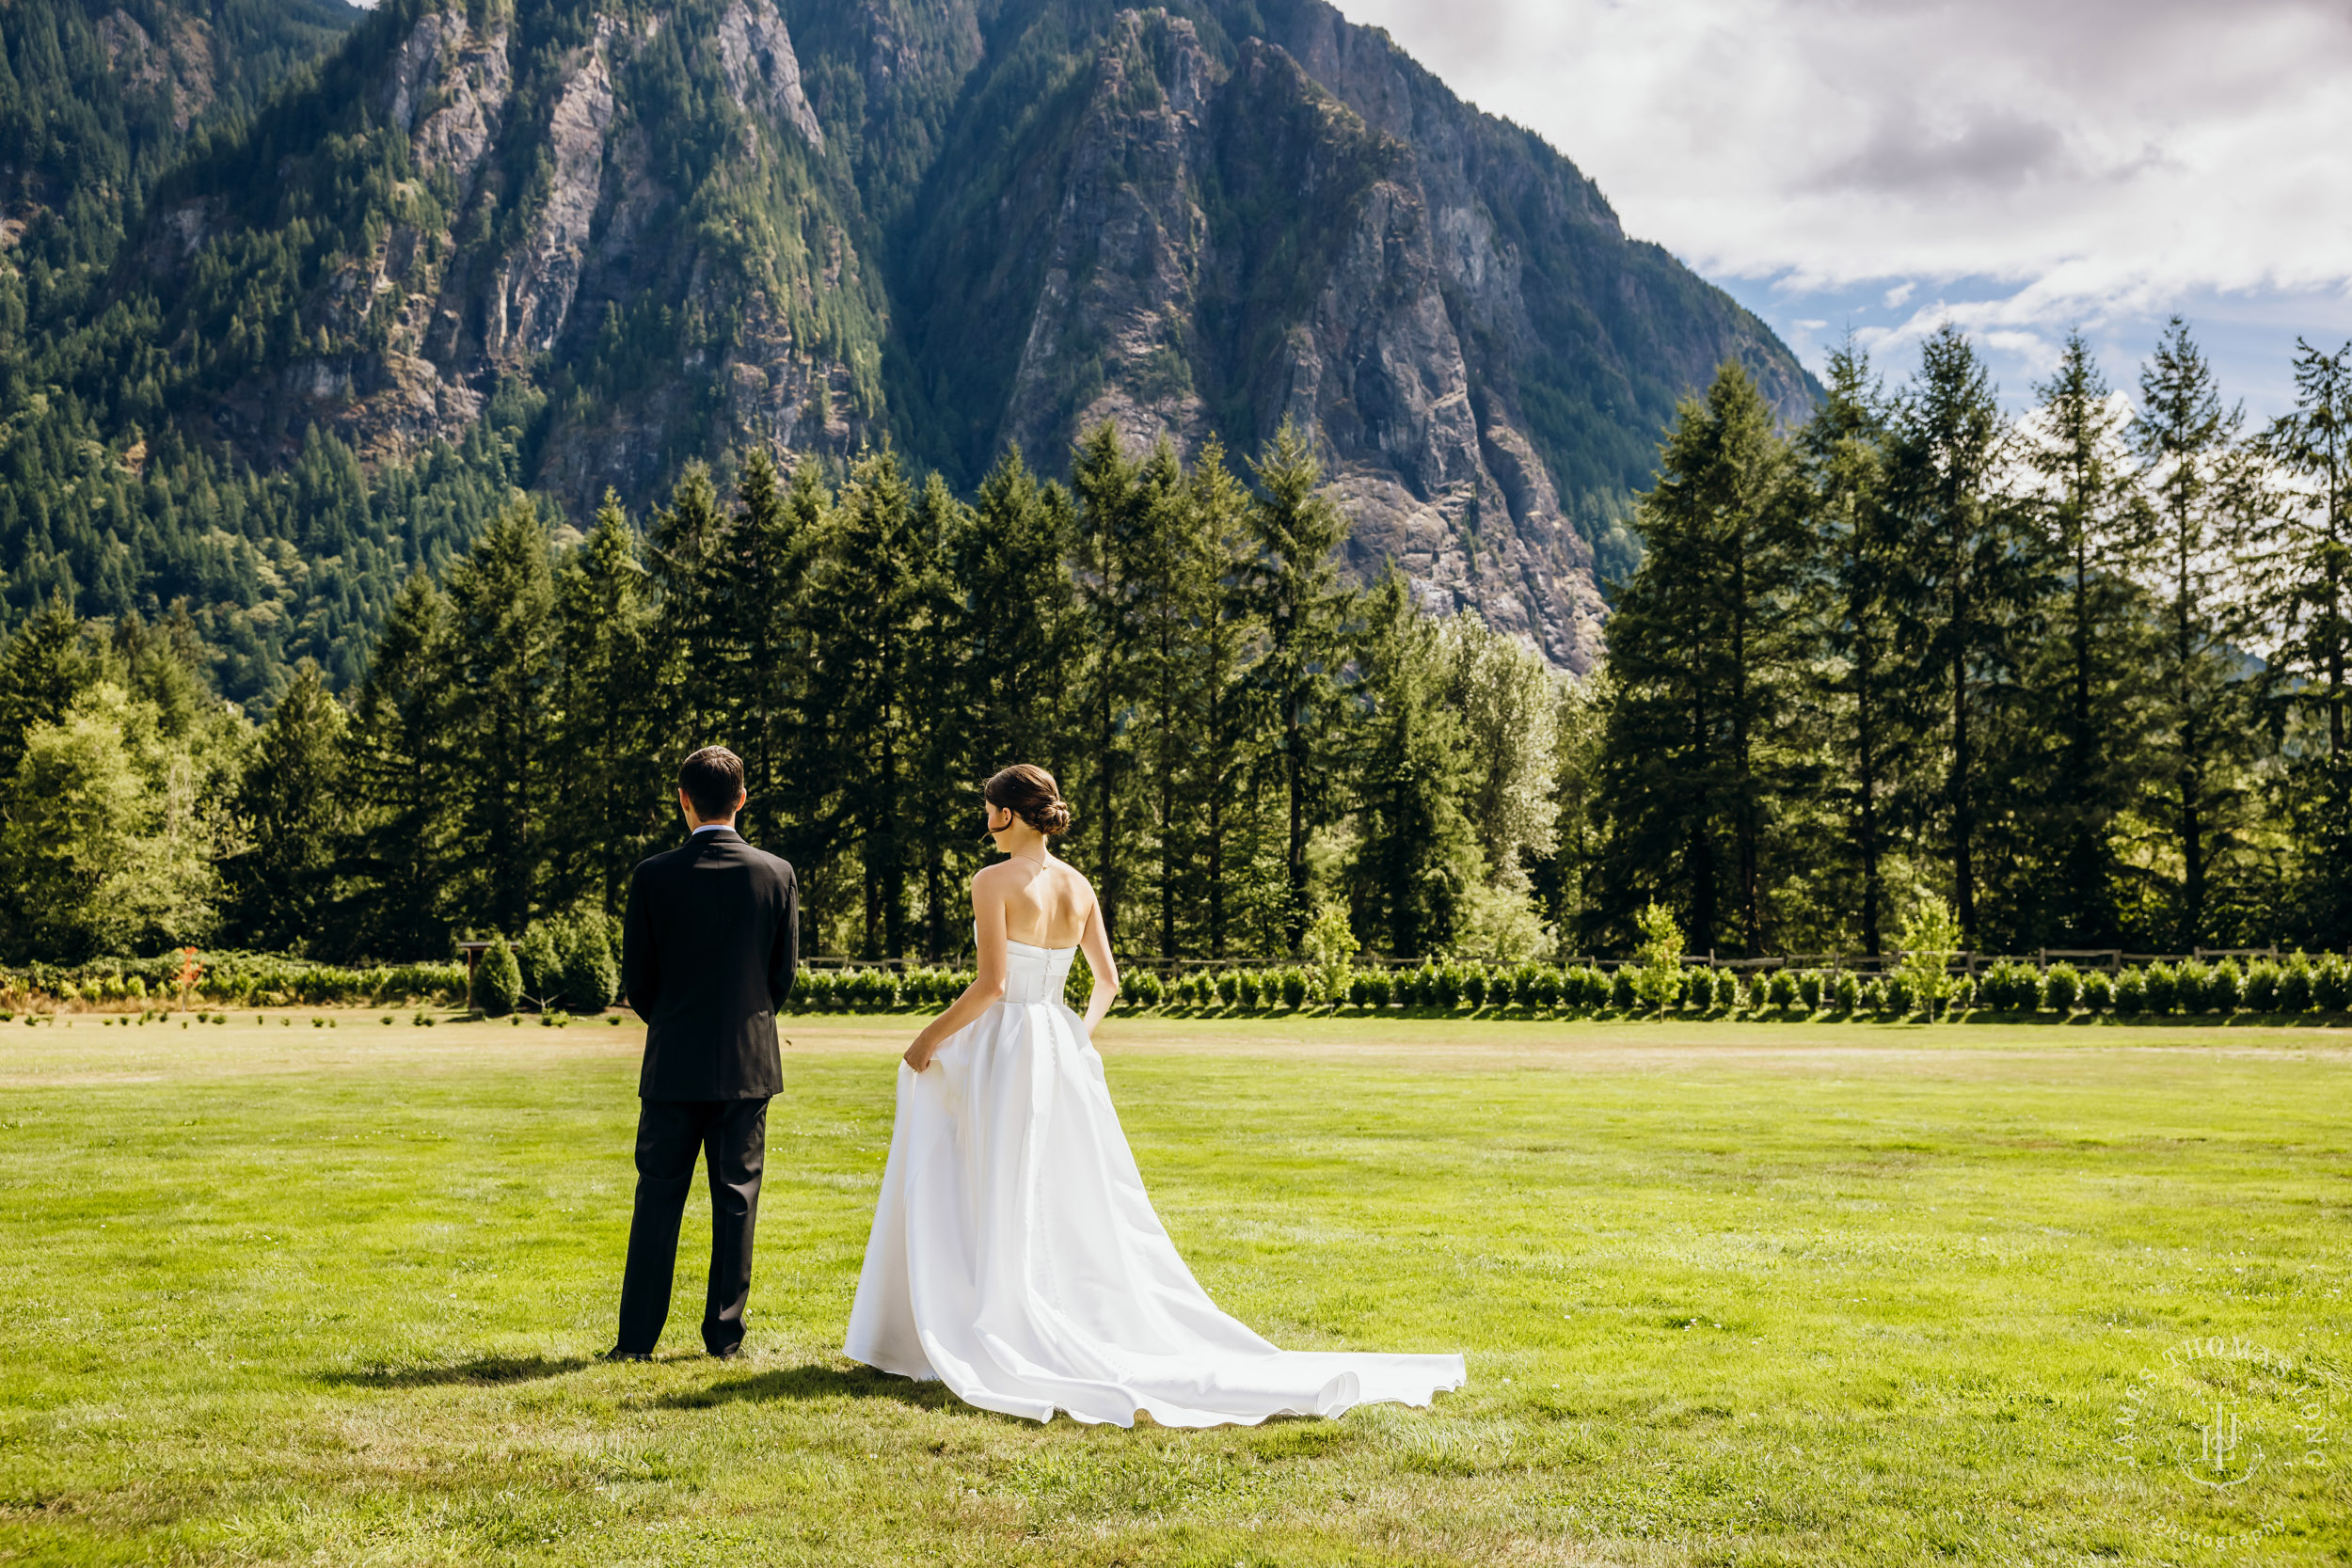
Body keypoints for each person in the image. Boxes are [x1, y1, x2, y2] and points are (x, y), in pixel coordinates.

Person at [844, 763, 1464, 1425]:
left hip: (1006, 1039)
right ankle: (1028, 1294)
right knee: (1053, 1184)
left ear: (1013, 814)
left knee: (988, 1170)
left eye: (990, 809)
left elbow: (993, 984)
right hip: (1055, 1040)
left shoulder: (992, 881)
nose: (984, 821)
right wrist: (1073, 1039)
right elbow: (1107, 981)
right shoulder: (1078, 886)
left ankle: (986, 1306)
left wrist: (927, 1038)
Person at [608, 746, 799, 1361]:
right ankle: (724, 1338)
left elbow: (638, 979)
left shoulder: (652, 875)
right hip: (748, 1062)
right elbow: (782, 978)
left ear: (682, 799)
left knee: (657, 1199)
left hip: (673, 1061)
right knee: (737, 1201)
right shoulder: (777, 874)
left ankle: (636, 1341)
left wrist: (674, 1020)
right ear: (741, 799)